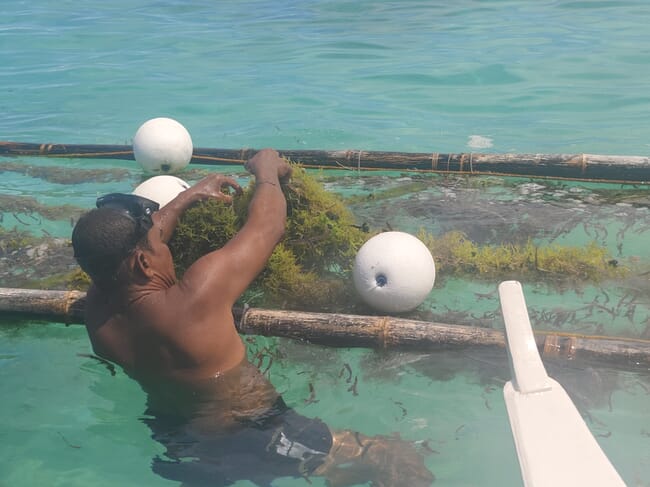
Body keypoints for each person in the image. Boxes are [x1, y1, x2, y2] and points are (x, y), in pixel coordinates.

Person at [71, 149, 434, 487]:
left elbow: (132, 245)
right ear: (143, 263)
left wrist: (186, 198)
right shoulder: (194, 297)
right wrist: (267, 172)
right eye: (158, 243)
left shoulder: (99, 316)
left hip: (177, 438)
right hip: (256, 431)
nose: (164, 243)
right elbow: (267, 226)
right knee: (389, 456)